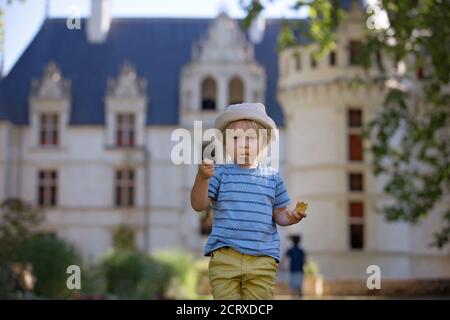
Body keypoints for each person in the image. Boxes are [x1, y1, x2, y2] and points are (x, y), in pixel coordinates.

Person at [190, 102, 307, 300]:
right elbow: (199, 205)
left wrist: (291, 217)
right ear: (226, 144)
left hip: (262, 258)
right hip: (225, 256)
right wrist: (201, 178)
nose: (243, 143)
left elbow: (279, 213)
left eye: (251, 138)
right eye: (235, 138)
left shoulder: (272, 177)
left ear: (264, 144)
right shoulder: (219, 174)